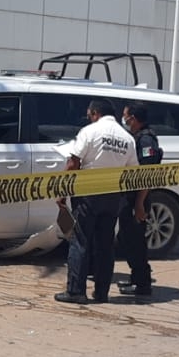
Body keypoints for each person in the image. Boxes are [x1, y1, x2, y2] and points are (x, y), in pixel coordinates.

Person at [56, 99, 138, 305]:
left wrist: (61, 190)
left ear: (95, 113)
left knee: (81, 241)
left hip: (88, 193)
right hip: (112, 195)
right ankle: (101, 293)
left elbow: (73, 162)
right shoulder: (127, 138)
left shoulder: (89, 132)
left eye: (89, 114)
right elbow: (132, 171)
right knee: (105, 245)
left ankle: (76, 291)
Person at [116, 103, 161, 296]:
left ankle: (142, 284)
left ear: (133, 118)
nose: (123, 119)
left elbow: (147, 174)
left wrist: (140, 203)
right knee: (127, 239)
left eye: (125, 116)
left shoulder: (146, 140)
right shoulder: (136, 138)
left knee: (135, 241)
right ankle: (137, 279)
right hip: (130, 198)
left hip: (137, 199)